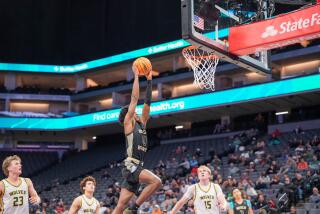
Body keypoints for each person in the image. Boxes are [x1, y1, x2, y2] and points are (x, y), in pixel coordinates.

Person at [113, 60, 162, 214]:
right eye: (134, 111)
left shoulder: (143, 123)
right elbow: (134, 99)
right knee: (157, 181)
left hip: (136, 166)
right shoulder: (129, 123)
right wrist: (135, 76)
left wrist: (149, 80)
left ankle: (128, 209)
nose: (137, 111)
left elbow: (147, 102)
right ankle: (134, 209)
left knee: (120, 206)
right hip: (131, 165)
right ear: (130, 115)